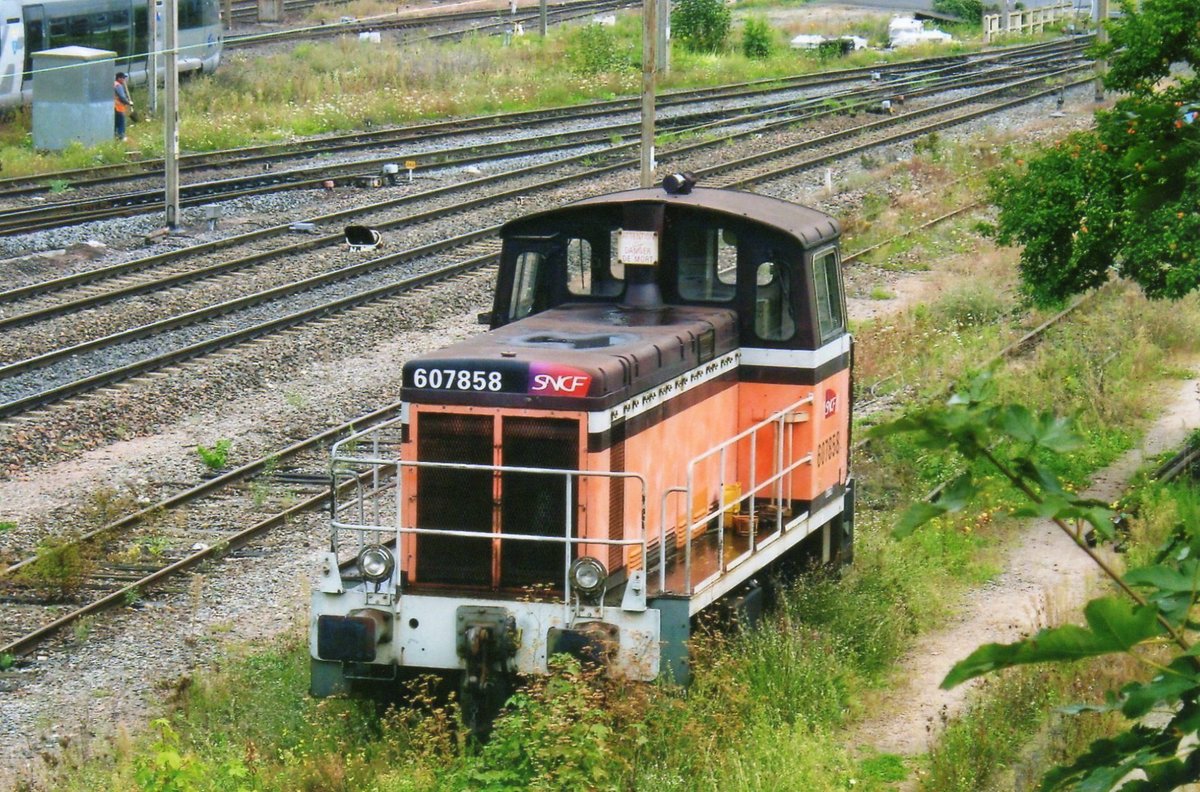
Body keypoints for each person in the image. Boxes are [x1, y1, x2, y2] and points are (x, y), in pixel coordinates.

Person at [114, 72, 133, 141]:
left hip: (113, 107)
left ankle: (115, 136)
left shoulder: (113, 84)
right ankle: (121, 137)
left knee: (115, 123)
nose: (124, 80)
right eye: (123, 78)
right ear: (119, 78)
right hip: (118, 107)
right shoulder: (118, 86)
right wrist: (128, 102)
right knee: (121, 123)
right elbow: (122, 97)